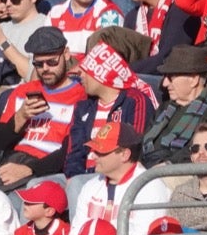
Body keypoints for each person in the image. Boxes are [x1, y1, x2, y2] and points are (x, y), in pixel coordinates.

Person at [0, 27, 81, 184]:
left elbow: (69, 152)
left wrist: (30, 169)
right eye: (38, 64)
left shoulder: (80, 97)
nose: (45, 68)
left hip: (44, 171)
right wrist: (21, 117)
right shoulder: (22, 92)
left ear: (66, 54)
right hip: (10, 162)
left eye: (52, 62)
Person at [70, 123, 170, 235]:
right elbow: (76, 233)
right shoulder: (90, 186)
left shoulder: (150, 186)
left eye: (101, 152)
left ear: (124, 154)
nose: (93, 156)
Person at [66, 42, 156, 175]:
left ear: (101, 73)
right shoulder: (83, 106)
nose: (81, 77)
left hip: (114, 174)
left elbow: (134, 147)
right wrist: (73, 177)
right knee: (39, 184)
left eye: (85, 71)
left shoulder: (135, 101)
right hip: (82, 175)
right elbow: (74, 152)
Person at [142, 44, 207, 167]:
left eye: (170, 77)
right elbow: (143, 141)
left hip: (177, 172)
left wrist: (166, 166)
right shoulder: (165, 107)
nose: (164, 83)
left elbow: (197, 150)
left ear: (193, 80)